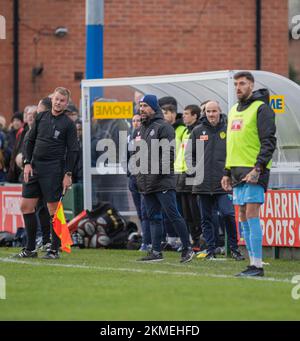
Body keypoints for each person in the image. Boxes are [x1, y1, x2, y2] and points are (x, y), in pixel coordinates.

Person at [221, 71, 276, 277]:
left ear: (251, 85)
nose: (238, 87)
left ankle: (258, 265)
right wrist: (226, 171)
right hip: (236, 172)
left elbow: (269, 141)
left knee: (252, 214)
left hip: (254, 171)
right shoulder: (234, 109)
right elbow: (231, 144)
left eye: (242, 83)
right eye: (236, 84)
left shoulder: (262, 109)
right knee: (242, 215)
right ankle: (252, 263)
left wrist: (258, 168)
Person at [15, 87, 79, 259]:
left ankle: (54, 249)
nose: (58, 103)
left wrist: (68, 174)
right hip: (34, 167)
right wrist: (27, 163)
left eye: (62, 101)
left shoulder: (68, 124)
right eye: (56, 99)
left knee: (53, 209)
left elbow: (73, 151)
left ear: (66, 104)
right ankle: (30, 249)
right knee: (26, 206)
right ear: (52, 99)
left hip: (54, 169)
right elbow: (29, 141)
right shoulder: (41, 116)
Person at [133, 94, 194, 263]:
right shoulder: (139, 129)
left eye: (145, 105)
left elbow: (168, 155)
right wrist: (139, 176)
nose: (142, 109)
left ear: (154, 107)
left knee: (173, 215)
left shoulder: (164, 127)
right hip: (146, 182)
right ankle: (156, 252)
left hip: (162, 181)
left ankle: (187, 249)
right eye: (140, 105)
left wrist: (155, 175)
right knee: (153, 217)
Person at [187, 101, 244, 260]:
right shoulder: (198, 131)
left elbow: (235, 153)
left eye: (214, 111)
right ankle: (211, 250)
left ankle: (234, 248)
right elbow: (189, 155)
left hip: (223, 182)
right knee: (206, 218)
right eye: (208, 111)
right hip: (203, 183)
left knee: (227, 214)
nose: (211, 114)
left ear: (220, 112)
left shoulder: (228, 130)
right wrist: (195, 172)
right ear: (205, 113)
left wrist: (231, 174)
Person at [174, 104, 202, 252]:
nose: (183, 116)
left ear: (195, 116)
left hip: (193, 175)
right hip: (182, 174)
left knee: (195, 210)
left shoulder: (198, 131)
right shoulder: (185, 131)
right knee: (186, 211)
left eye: (186, 114)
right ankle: (192, 240)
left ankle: (199, 240)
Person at [127, 114, 151, 251]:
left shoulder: (148, 134)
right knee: (140, 212)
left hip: (145, 178)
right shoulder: (132, 135)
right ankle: (145, 239)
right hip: (134, 178)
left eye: (139, 120)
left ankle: (148, 242)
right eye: (134, 121)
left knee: (146, 210)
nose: (136, 123)